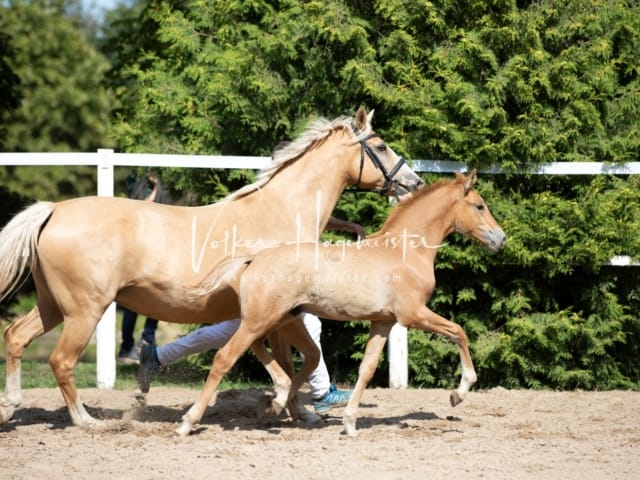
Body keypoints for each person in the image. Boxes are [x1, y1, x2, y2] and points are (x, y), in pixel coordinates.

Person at [138, 217, 365, 413]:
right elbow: (311, 217)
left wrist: (344, 226)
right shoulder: (285, 202)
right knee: (244, 330)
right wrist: (344, 226)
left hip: (274, 277)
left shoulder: (290, 198)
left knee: (229, 332)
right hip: (271, 280)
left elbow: (316, 215)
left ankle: (159, 356)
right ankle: (321, 392)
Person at [117, 172, 172, 364]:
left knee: (153, 304)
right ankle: (127, 347)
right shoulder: (138, 189)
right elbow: (143, 206)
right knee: (131, 308)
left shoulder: (159, 193)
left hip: (152, 256)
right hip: (138, 258)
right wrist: (155, 187)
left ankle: (146, 341)